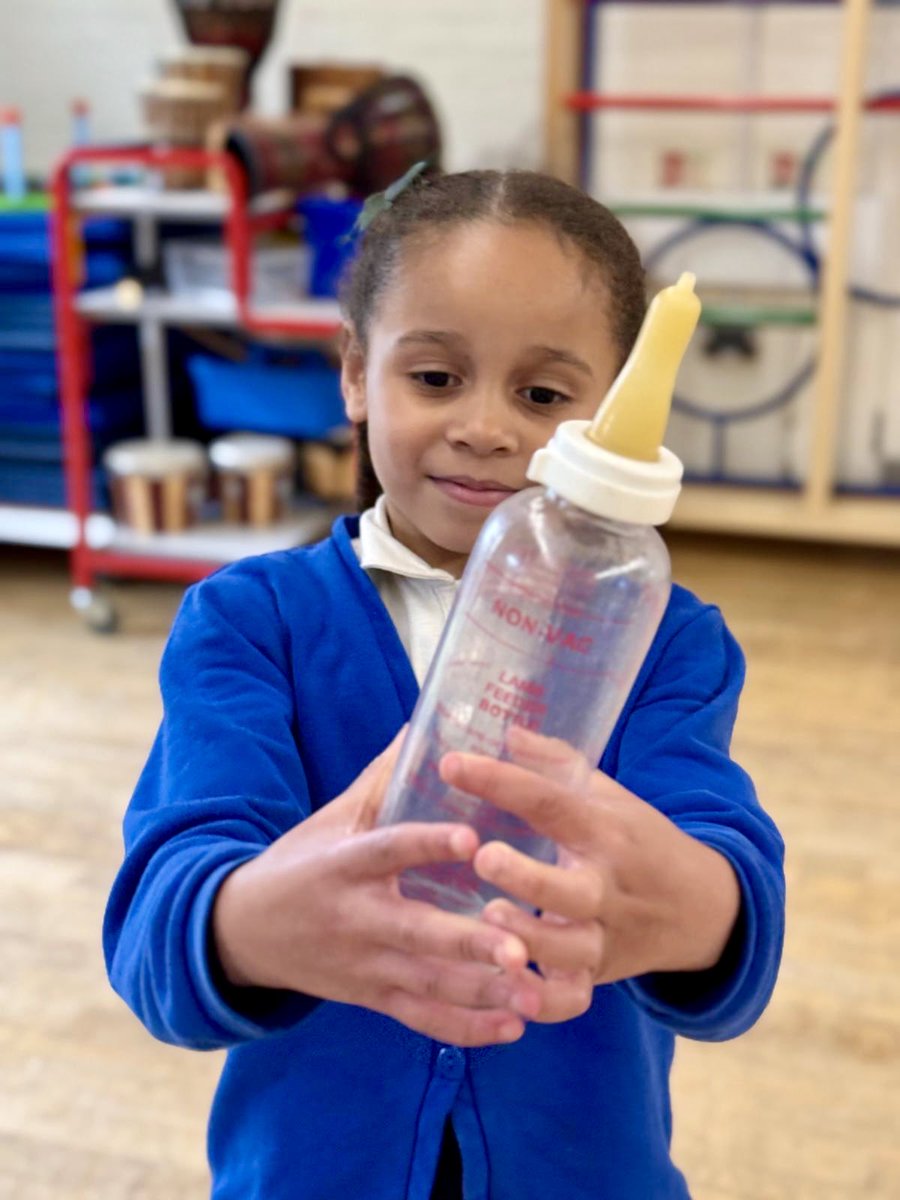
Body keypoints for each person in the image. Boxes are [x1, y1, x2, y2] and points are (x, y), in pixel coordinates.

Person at [103, 169, 785, 1200]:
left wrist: (685, 904)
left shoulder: (666, 641)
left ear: (618, 410)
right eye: (434, 377)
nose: (485, 427)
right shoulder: (247, 626)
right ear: (354, 374)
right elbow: (160, 937)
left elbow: (732, 912)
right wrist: (252, 918)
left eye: (544, 394)